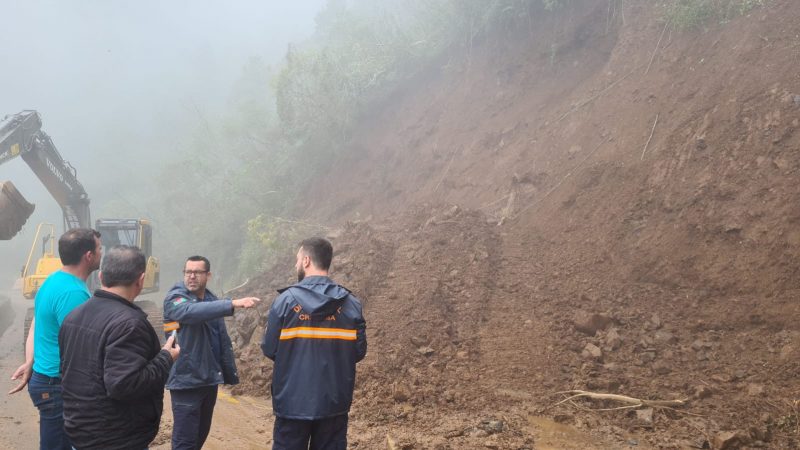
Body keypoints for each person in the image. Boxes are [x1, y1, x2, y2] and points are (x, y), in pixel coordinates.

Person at [59, 245, 180, 449]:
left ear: (101, 277)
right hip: (116, 438)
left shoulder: (74, 316)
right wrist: (166, 357)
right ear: (141, 280)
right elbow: (124, 385)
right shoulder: (129, 324)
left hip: (79, 431)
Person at [261, 237, 367, 450]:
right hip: (334, 405)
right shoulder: (351, 304)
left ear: (307, 261)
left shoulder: (284, 301)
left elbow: (270, 349)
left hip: (292, 404)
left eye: (297, 259)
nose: (296, 264)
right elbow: (358, 352)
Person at [8, 228, 102, 450]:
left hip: (47, 379)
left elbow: (35, 326)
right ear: (88, 256)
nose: (101, 253)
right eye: (99, 249)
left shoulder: (53, 281)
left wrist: (32, 360)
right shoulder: (73, 293)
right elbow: (80, 350)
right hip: (57, 385)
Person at [163, 255, 260, 450]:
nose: (191, 276)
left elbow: (220, 339)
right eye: (188, 272)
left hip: (208, 381)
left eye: (197, 272)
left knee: (199, 438)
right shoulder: (176, 298)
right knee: (185, 443)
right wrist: (231, 304)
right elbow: (191, 312)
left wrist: (226, 371)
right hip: (186, 382)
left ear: (208, 275)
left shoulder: (210, 299)